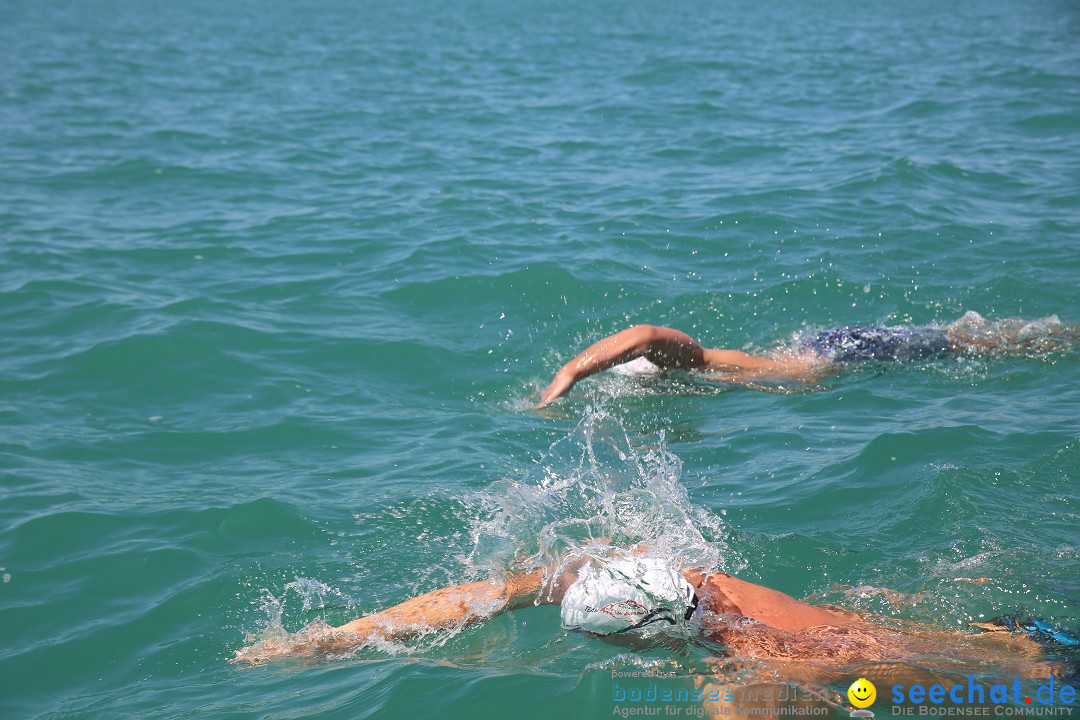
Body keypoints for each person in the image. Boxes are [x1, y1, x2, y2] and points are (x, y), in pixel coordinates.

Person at [231, 548, 1075, 688]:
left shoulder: (752, 659)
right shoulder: (684, 575)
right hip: (987, 624)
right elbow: (484, 593)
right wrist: (336, 638)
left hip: (1020, 666)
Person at [537, 312, 1075, 407]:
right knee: (959, 337)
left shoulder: (692, 363)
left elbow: (645, 333)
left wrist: (569, 372)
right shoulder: (700, 369)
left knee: (974, 344)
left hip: (839, 354)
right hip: (824, 349)